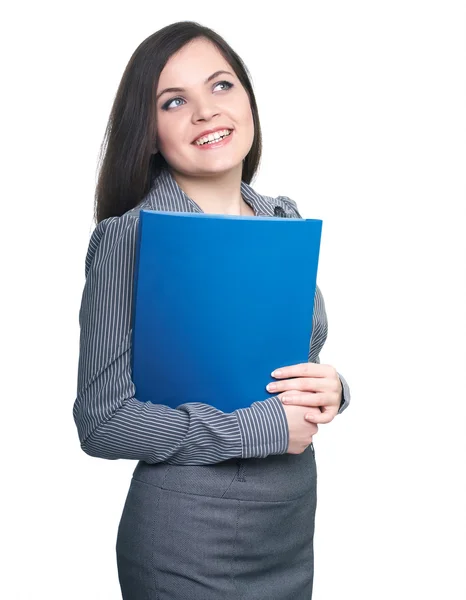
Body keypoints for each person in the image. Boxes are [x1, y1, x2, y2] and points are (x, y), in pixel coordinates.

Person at [73, 20, 351, 600]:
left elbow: (289, 366)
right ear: (148, 133)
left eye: (221, 86)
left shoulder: (282, 219)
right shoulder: (129, 239)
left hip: (289, 527)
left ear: (248, 100)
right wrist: (260, 428)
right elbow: (102, 422)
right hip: (189, 539)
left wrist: (333, 389)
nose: (206, 111)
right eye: (175, 102)